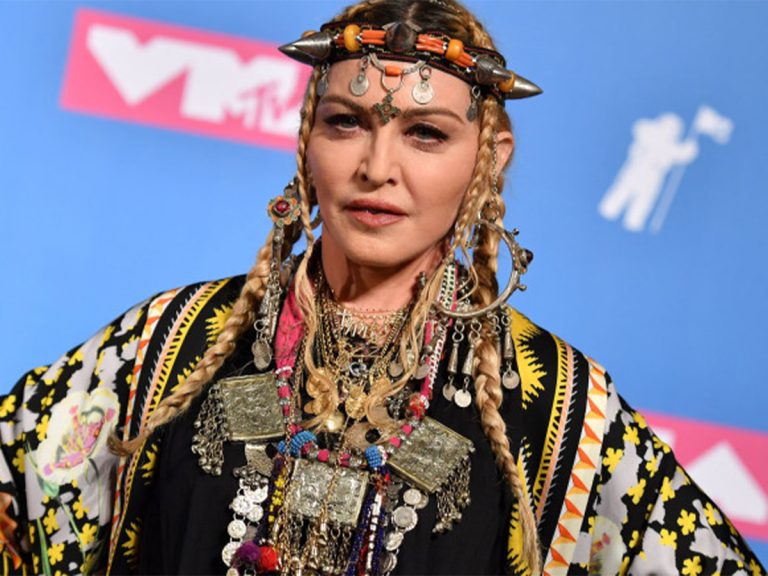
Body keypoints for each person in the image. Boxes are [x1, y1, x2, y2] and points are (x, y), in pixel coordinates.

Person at [0, 1, 765, 575]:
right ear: (307, 135)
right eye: (346, 122)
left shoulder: (554, 403)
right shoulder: (178, 341)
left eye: (425, 134)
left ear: (489, 157)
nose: (376, 167)